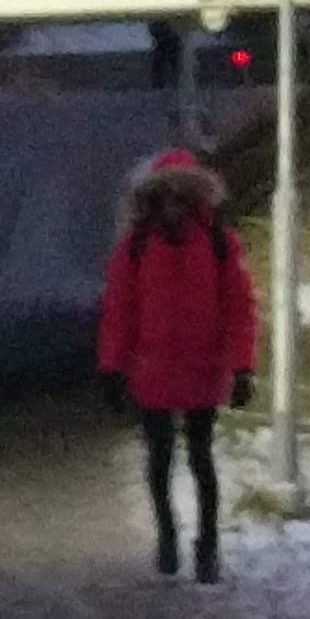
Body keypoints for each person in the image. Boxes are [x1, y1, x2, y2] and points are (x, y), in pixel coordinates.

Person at [95, 148, 257, 582]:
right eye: (167, 195)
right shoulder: (135, 248)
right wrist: (112, 366)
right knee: (161, 457)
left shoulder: (219, 244)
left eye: (181, 196)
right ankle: (168, 534)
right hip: (154, 369)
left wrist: (242, 366)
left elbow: (239, 308)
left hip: (203, 368)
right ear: (154, 198)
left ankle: (207, 545)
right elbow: (119, 311)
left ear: (193, 198)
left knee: (201, 459)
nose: (174, 204)